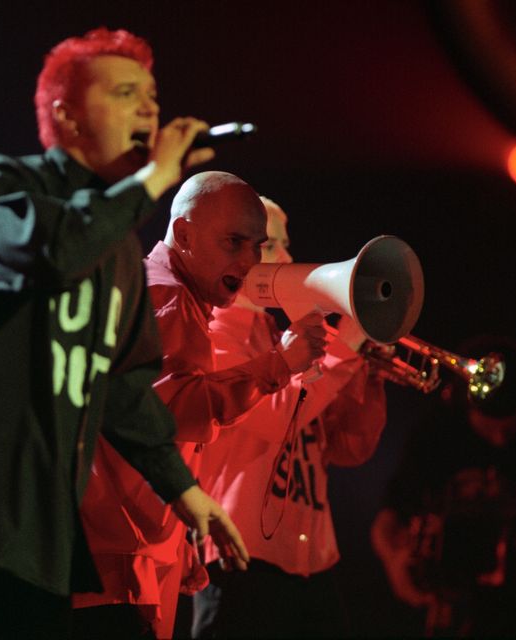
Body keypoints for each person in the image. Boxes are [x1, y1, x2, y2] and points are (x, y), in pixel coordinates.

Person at [0, 27, 249, 640]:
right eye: (124, 93)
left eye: (151, 95)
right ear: (66, 116)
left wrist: (185, 492)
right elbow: (49, 252)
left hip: (36, 545)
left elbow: (123, 389)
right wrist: (149, 183)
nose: (148, 109)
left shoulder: (118, 245)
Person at [73, 174, 328, 639]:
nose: (249, 261)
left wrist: (177, 540)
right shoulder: (168, 298)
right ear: (185, 235)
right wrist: (283, 362)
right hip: (116, 569)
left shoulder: (164, 294)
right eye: (235, 242)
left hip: (123, 563)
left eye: (257, 246)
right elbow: (175, 411)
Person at [188, 196, 388, 638]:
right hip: (242, 558)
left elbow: (350, 449)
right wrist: (346, 345)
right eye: (272, 245)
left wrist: (366, 377)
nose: (289, 259)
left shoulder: (283, 336)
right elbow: (276, 418)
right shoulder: (210, 336)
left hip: (315, 561)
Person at [371, 334, 516, 637]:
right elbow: (388, 516)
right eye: (490, 427)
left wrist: (506, 533)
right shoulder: (437, 434)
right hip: (453, 615)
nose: (500, 440)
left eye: (510, 429)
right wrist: (395, 563)